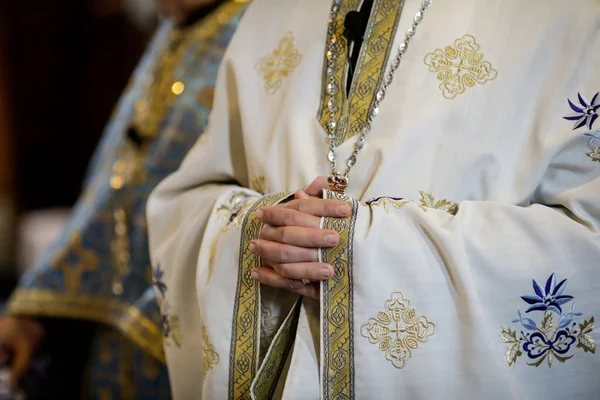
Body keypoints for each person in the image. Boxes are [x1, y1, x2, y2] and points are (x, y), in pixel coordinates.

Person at [147, 0, 600, 398]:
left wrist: (365, 248)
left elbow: (589, 246)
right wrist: (258, 227)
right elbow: (186, 200)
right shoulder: (269, 12)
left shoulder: (571, 15)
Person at [0, 0, 249, 398]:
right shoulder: (179, 28)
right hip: (114, 332)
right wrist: (36, 309)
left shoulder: (260, 32)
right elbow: (116, 187)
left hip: (188, 336)